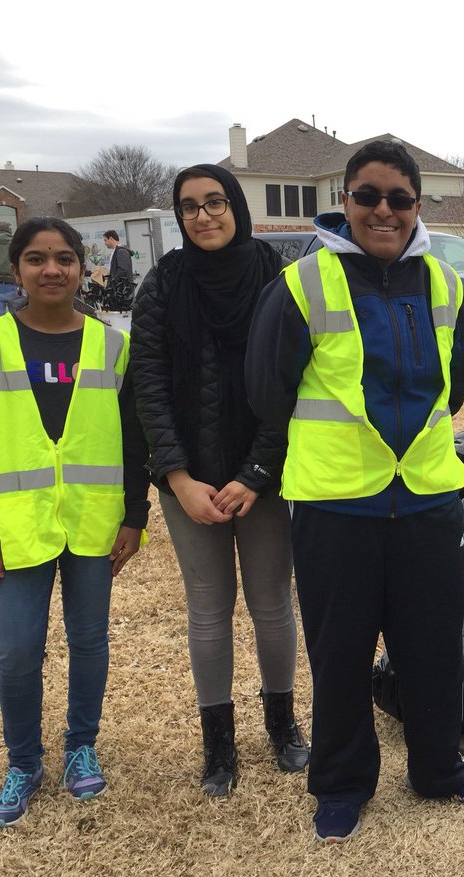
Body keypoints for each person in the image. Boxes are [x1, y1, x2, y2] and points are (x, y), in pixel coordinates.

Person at [246, 139, 464, 843]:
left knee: (432, 648)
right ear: (346, 202)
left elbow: (452, 389)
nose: (383, 210)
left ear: (417, 206)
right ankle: (340, 783)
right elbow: (267, 391)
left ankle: (438, 768)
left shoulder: (446, 286)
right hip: (336, 506)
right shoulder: (303, 283)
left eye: (398, 198)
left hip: (425, 500)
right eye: (368, 196)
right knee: (341, 652)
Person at [0, 217, 150, 827]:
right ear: (16, 271)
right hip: (18, 527)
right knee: (17, 651)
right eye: (36, 259)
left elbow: (137, 441)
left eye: (64, 258)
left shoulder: (113, 346)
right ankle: (24, 761)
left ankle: (79, 745)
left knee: (89, 641)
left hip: (93, 522)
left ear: (81, 267)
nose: (52, 269)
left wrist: (135, 516)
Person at [131, 163, 307, 797]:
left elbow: (291, 385)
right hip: (189, 483)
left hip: (263, 478)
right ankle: (219, 746)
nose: (202, 216)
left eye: (214, 203)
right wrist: (177, 478)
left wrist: (257, 473)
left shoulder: (277, 279)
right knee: (209, 608)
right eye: (188, 207)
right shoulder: (162, 283)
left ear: (236, 205)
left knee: (271, 602)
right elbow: (147, 385)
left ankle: (283, 726)